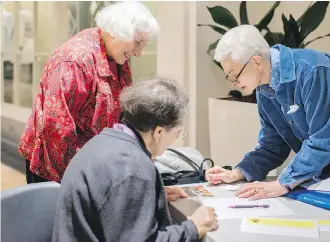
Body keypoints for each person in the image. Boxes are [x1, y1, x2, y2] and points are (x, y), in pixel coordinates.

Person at [52, 77, 218, 242]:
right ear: (159, 132)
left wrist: (147, 196)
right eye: (177, 133)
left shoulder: (103, 141)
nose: (176, 139)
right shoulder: (133, 168)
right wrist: (194, 227)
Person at [205, 25, 330, 200]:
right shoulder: (264, 90)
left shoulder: (313, 71)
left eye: (234, 75)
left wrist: (282, 183)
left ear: (257, 62)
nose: (233, 83)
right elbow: (273, 144)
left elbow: (323, 140)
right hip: (328, 180)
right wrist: (238, 172)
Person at [18, 1, 160, 183]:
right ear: (117, 32)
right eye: (137, 43)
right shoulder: (73, 61)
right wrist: (88, 179)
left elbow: (122, 112)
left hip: (93, 164)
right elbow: (56, 131)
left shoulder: (116, 56)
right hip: (58, 168)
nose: (139, 53)